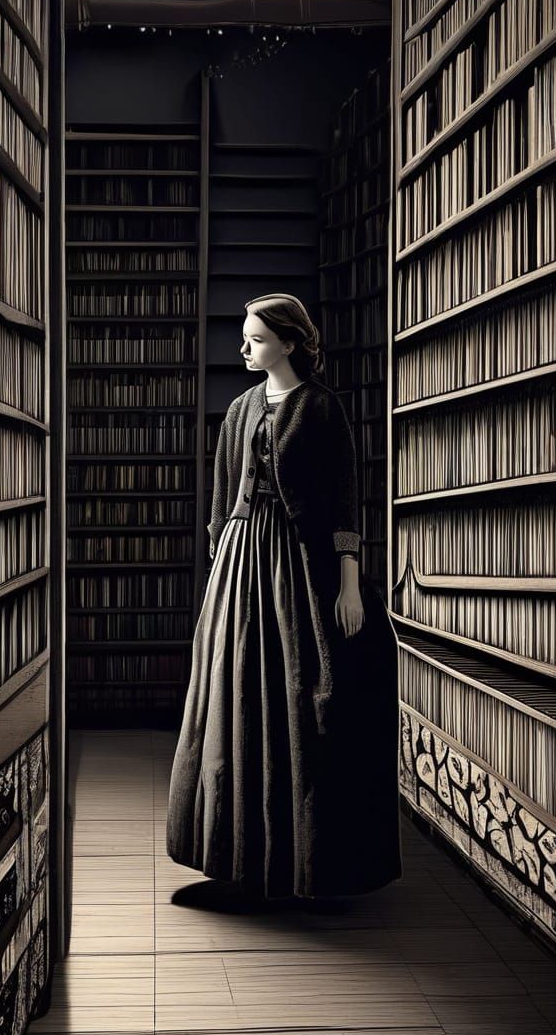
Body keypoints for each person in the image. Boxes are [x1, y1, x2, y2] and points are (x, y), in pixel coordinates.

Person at [166, 291, 401, 902]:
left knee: (305, 694)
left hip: (302, 566)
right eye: (244, 337)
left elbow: (347, 501)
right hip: (243, 562)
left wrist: (349, 585)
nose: (244, 348)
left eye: (257, 339)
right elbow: (222, 496)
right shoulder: (240, 408)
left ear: (290, 344)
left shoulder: (322, 410)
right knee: (233, 690)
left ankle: (310, 860)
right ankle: (237, 853)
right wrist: (222, 560)